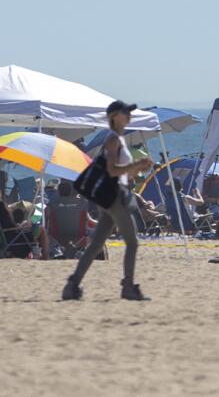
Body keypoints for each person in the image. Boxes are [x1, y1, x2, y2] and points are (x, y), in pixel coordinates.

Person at [63, 101, 154, 301]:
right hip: (116, 197)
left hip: (112, 197)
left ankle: (73, 284)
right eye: (125, 112)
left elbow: (119, 172)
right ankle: (128, 286)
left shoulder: (117, 139)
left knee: (96, 244)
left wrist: (137, 169)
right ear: (115, 116)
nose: (129, 115)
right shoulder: (113, 139)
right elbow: (112, 171)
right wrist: (137, 164)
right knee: (132, 243)